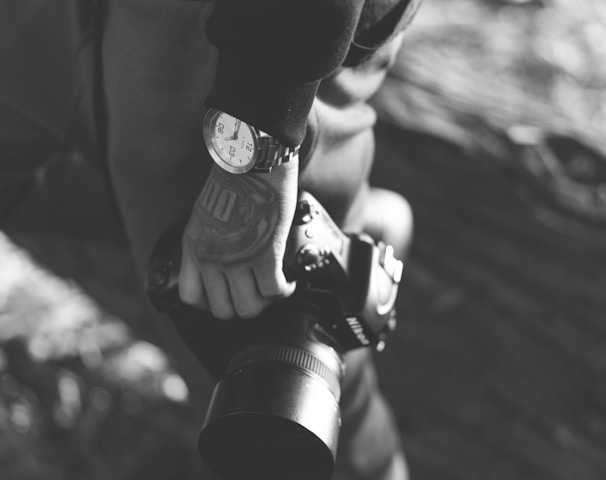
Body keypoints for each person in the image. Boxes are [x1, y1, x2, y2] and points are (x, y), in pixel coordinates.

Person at [1, 1, 418, 479]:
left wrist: (258, 144)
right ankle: (353, 232)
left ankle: (334, 248)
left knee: (274, 406)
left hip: (242, 41)